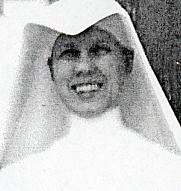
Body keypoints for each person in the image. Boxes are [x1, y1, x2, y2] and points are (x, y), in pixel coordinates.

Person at [0, 0, 181, 190]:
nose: (84, 67)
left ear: (127, 62)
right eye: (69, 53)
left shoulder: (169, 172)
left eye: (100, 50)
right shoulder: (17, 179)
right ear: (51, 69)